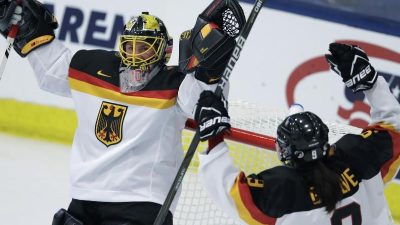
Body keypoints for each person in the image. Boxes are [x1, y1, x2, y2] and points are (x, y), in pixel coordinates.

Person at [0, 0, 245, 224]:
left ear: (162, 51)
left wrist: (209, 67)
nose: (136, 54)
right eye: (131, 46)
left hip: (143, 202)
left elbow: (201, 100)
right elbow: (54, 70)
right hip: (85, 197)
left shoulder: (176, 83)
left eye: (145, 48)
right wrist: (29, 30)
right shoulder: (93, 67)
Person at [195, 42, 400, 225]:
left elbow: (232, 194)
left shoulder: (285, 189)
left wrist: (213, 135)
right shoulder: (357, 155)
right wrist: (370, 83)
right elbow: (395, 128)